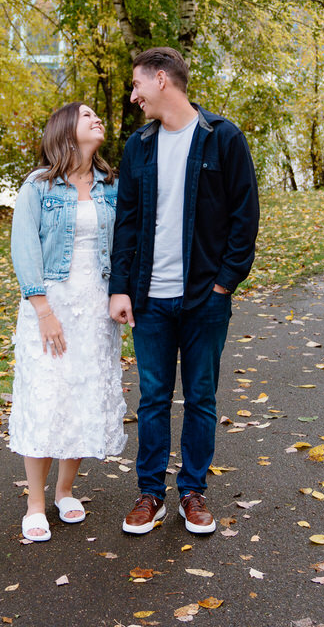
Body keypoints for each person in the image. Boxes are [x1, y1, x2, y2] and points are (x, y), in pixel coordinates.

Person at [108, 47, 259, 536]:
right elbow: (126, 223)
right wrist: (120, 288)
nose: (134, 97)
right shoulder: (139, 146)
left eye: (137, 86)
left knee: (200, 396)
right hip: (150, 298)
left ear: (161, 80)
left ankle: (193, 492)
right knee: (152, 398)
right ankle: (150, 493)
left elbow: (245, 217)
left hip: (204, 299)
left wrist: (223, 283)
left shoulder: (223, 138)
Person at [8, 103, 127, 542]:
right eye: (87, 116)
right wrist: (43, 311)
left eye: (98, 115)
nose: (97, 120)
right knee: (47, 399)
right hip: (50, 305)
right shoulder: (38, 186)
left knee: (81, 395)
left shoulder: (110, 187)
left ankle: (64, 492)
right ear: (65, 131)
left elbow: (122, 247)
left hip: (95, 306)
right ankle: (35, 504)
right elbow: (25, 250)